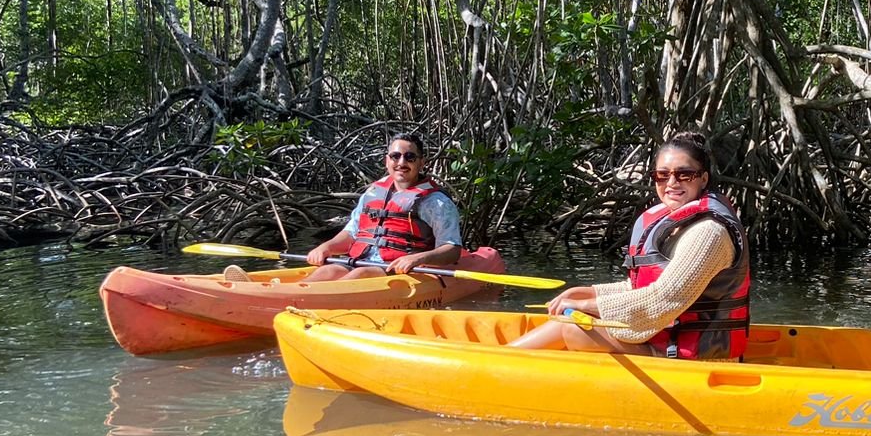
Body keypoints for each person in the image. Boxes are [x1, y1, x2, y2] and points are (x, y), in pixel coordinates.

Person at [511, 131, 750, 357]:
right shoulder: (676, 224)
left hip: (697, 358)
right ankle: (509, 355)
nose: (672, 183)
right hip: (667, 339)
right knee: (576, 318)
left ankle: (506, 359)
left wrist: (586, 305)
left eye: (684, 174)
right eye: (662, 175)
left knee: (575, 329)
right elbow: (643, 286)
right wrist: (589, 292)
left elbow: (662, 299)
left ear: (703, 179)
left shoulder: (709, 233)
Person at [227, 132, 463, 283]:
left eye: (410, 157)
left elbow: (451, 249)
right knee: (326, 272)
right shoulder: (373, 193)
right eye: (396, 156)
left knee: (358, 276)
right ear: (387, 160)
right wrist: (327, 247)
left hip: (395, 268)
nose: (402, 163)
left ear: (421, 162)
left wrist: (418, 259)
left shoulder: (436, 202)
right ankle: (282, 294)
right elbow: (351, 233)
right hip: (359, 259)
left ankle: (281, 299)